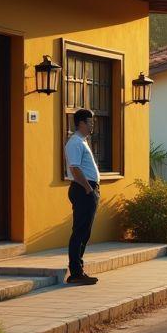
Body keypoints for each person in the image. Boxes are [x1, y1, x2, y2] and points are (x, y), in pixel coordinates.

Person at [65, 108, 100, 285]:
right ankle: (76, 272)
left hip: (87, 189)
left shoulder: (82, 141)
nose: (92, 124)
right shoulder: (75, 143)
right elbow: (75, 168)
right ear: (80, 123)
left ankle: (79, 270)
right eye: (89, 121)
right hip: (82, 189)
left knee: (84, 232)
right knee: (80, 231)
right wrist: (88, 189)